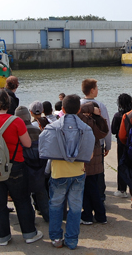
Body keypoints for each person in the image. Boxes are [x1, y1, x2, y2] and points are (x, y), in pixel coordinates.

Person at [0, 89, 43, 246]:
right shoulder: (16, 121)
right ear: (8, 102)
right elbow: (27, 143)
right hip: (15, 165)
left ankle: (3, 237)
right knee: (22, 200)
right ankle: (29, 234)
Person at [39, 94, 94, 249]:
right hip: (77, 173)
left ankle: (56, 239)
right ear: (79, 110)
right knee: (75, 207)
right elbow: (89, 155)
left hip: (58, 173)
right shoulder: (86, 129)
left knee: (56, 206)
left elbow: (43, 149)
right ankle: (72, 241)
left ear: (62, 109)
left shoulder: (52, 127)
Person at [15, 106, 49, 222]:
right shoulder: (37, 130)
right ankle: (47, 215)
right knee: (41, 191)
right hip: (39, 165)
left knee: (24, 195)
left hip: (24, 165)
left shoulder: (17, 131)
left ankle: (29, 220)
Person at [78, 102, 109, 225]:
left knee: (89, 190)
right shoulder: (98, 122)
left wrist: (89, 108)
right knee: (93, 188)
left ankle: (92, 215)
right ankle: (96, 215)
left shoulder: (88, 122)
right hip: (97, 159)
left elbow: (77, 112)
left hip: (89, 160)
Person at [80, 79, 111, 203]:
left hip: (82, 144)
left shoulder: (78, 104)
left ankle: (84, 199)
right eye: (97, 87)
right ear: (92, 90)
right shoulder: (100, 105)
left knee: (84, 171)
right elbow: (106, 126)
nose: (98, 90)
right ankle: (100, 198)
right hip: (98, 143)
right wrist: (108, 145)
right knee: (99, 171)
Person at [110, 93, 132, 198]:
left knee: (122, 165)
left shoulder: (118, 115)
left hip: (122, 144)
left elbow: (113, 130)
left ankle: (122, 190)